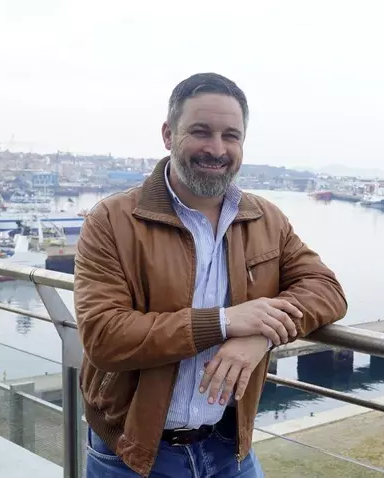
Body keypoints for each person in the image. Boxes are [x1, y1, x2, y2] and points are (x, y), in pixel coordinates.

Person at [74, 72, 348, 478]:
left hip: (228, 447)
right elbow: (104, 336)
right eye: (201, 132)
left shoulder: (265, 219)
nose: (216, 149)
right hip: (132, 453)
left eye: (230, 136)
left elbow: (327, 291)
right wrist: (224, 322)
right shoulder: (112, 220)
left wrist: (259, 336)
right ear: (168, 135)